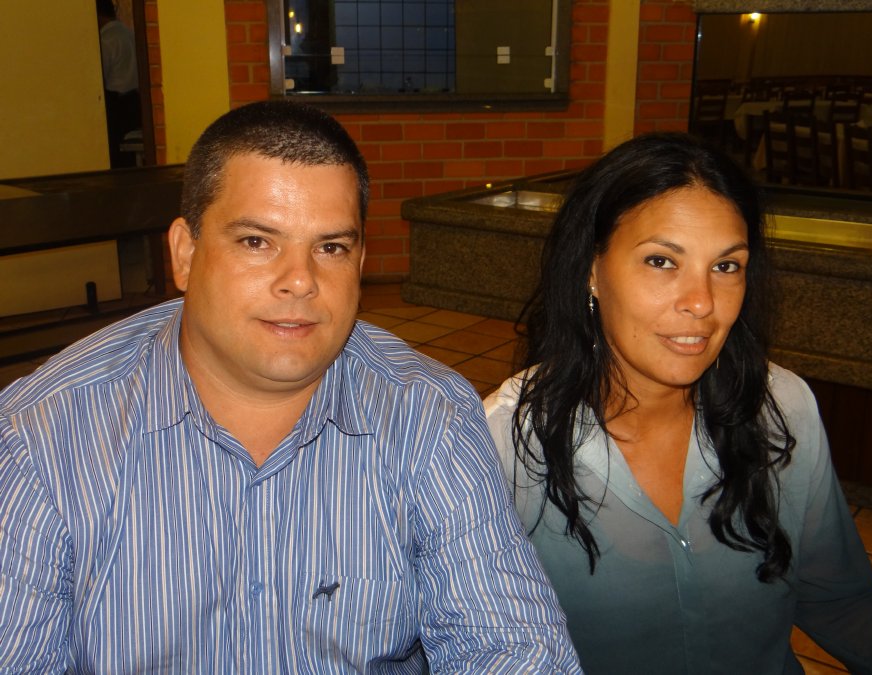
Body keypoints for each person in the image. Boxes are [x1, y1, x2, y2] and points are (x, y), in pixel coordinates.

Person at [0, 100, 581, 673]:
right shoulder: (43, 435)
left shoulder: (429, 415)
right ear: (185, 253)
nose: (300, 281)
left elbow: (514, 646)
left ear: (359, 263)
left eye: (331, 248)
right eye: (257, 241)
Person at [484, 132, 872, 674]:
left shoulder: (782, 406)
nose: (702, 303)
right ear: (591, 269)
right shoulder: (502, 447)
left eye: (726, 266)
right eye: (661, 261)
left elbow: (841, 600)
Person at [96, 0, 142, 168]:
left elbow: (99, 78)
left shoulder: (105, 40)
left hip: (116, 105)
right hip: (135, 100)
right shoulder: (128, 32)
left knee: (117, 158)